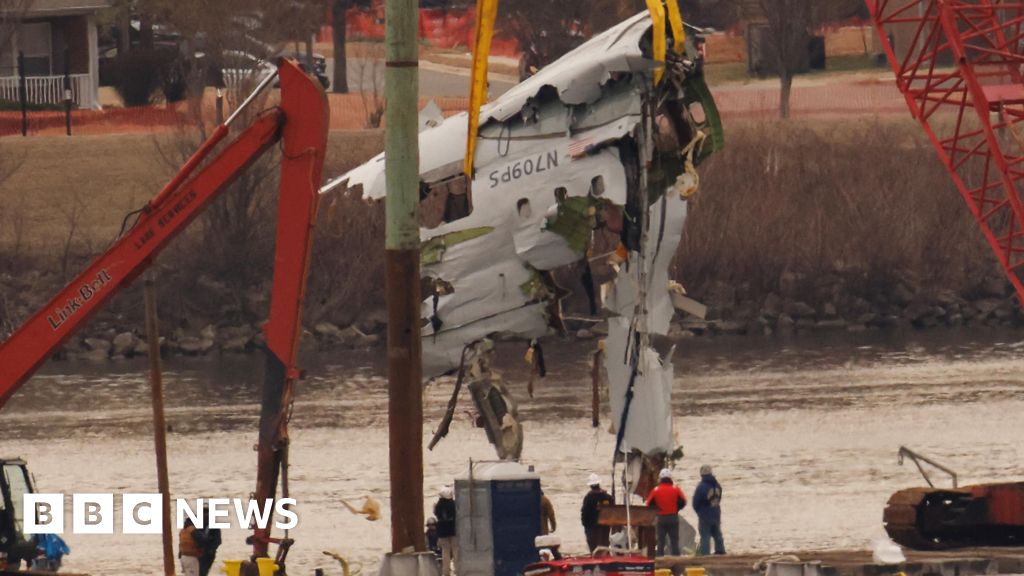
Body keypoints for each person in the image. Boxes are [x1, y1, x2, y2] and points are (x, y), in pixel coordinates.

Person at [645, 468, 687, 557]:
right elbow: (683, 502)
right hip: (673, 517)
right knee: (674, 541)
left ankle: (660, 559)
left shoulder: (656, 490)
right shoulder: (676, 489)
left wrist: (657, 510)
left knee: (661, 541)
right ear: (670, 478)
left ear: (660, 478)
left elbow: (648, 504)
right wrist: (676, 509)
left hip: (661, 518)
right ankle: (676, 559)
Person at [693, 464, 725, 556]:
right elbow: (719, 498)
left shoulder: (701, 487)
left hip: (705, 515)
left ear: (701, 474)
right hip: (716, 512)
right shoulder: (717, 485)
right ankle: (721, 552)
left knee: (705, 536)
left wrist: (700, 513)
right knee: (717, 534)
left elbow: (695, 503)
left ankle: (705, 555)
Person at [580, 473, 613, 552]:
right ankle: (606, 560)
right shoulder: (607, 497)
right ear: (598, 484)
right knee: (604, 546)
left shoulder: (588, 498)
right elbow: (613, 510)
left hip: (591, 527)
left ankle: (595, 560)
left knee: (594, 548)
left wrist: (585, 524)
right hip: (605, 526)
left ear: (590, 486)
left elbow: (584, 513)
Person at [434, 486, 458, 576]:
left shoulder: (438, 506)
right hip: (453, 531)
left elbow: (436, 515)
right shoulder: (453, 504)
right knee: (456, 552)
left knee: (445, 553)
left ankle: (446, 572)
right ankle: (458, 570)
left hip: (442, 533)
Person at [193, 506, 222, 576]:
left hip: (207, 554)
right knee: (201, 572)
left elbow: (218, 540)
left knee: (202, 572)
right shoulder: (198, 525)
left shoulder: (213, 526)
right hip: (202, 553)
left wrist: (211, 549)